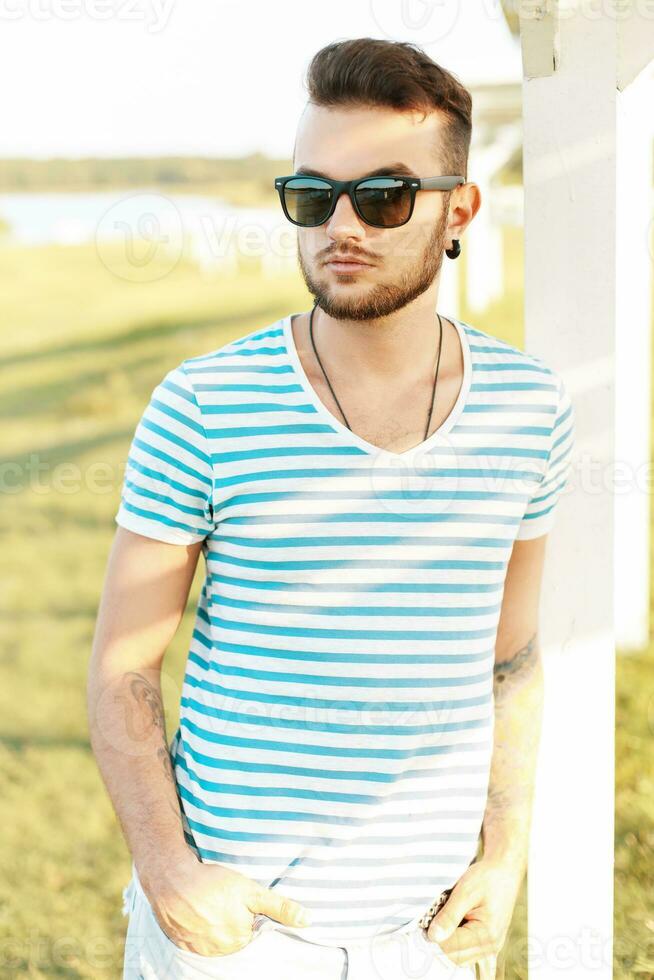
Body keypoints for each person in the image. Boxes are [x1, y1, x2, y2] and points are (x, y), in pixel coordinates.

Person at [88, 36, 575, 980]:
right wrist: (169, 871)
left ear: (458, 211)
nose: (340, 224)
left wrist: (505, 856)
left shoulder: (530, 407)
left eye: (385, 195)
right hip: (238, 934)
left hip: (432, 936)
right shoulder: (204, 404)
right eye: (314, 195)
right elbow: (122, 665)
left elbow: (511, 656)